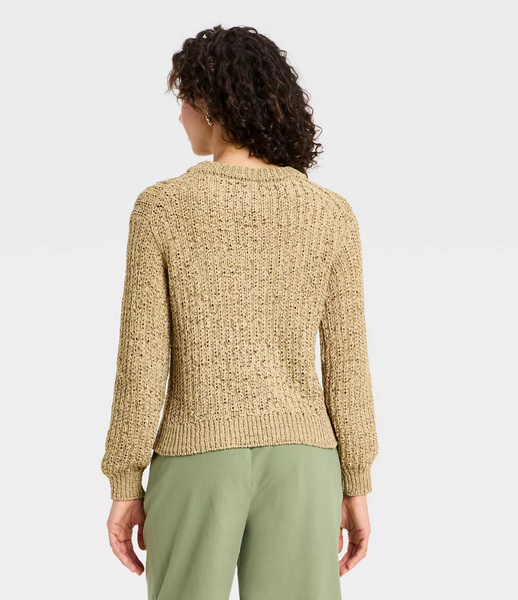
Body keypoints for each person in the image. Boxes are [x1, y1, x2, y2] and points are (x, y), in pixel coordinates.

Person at [100, 24, 379, 600]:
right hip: (305, 461)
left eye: (184, 99)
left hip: (196, 456)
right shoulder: (330, 213)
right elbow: (348, 364)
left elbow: (142, 361)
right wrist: (356, 481)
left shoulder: (162, 208)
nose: (180, 115)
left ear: (211, 104)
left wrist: (125, 480)